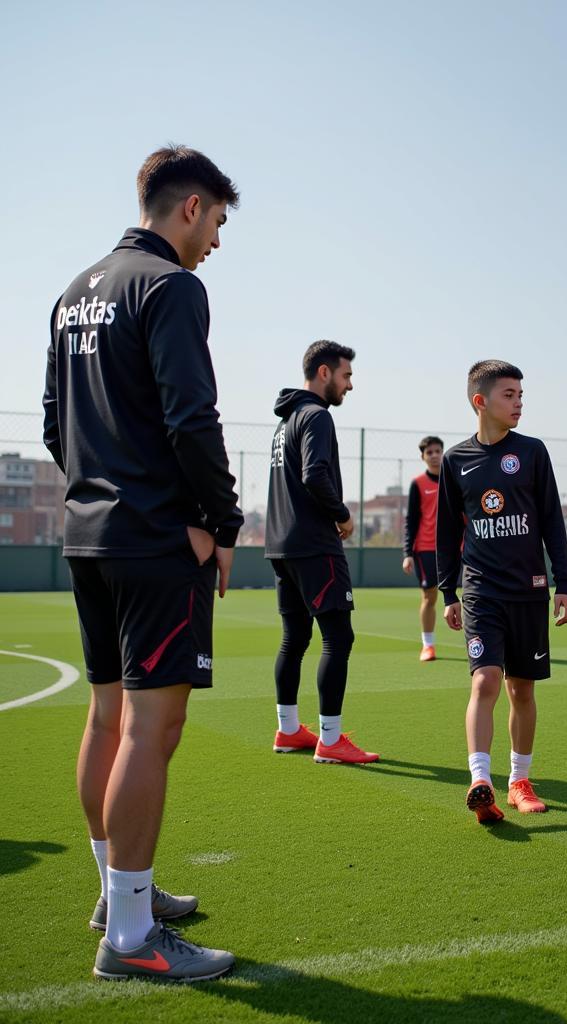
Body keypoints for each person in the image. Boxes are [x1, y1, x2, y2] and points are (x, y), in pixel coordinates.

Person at [42, 146, 241, 981]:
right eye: (219, 224)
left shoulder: (72, 291)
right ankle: (130, 939)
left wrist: (98, 491)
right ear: (189, 207)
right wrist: (216, 520)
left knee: (107, 719)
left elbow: (56, 423)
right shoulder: (169, 286)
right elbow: (193, 417)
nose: (217, 245)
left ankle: (118, 893)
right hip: (157, 541)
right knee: (152, 729)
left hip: (89, 535)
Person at [437, 360, 567, 823]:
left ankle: (519, 779)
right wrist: (448, 593)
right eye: (509, 395)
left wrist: (564, 584)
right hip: (481, 590)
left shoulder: (533, 453)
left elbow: (553, 521)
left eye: (520, 394)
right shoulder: (456, 460)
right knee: (485, 679)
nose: (519, 402)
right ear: (481, 401)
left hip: (530, 590)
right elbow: (444, 533)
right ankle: (481, 779)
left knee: (521, 690)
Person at [265, 341, 379, 766]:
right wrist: (343, 515)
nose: (350, 385)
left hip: (281, 545)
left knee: (294, 637)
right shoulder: (316, 417)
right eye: (346, 376)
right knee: (338, 637)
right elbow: (314, 475)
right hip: (314, 546)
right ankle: (330, 739)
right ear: (325, 373)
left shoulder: (286, 421)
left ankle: (288, 728)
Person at [402, 435, 444, 662]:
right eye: (430, 452)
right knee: (430, 596)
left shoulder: (454, 479)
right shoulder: (417, 484)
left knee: (473, 595)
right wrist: (407, 553)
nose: (435, 455)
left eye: (438, 451)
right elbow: (411, 520)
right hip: (425, 549)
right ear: (423, 457)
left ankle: (478, 645)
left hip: (456, 549)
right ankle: (428, 645)